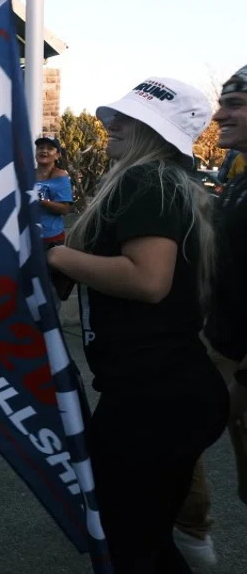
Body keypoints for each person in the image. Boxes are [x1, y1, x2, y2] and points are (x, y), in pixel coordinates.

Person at [47, 77, 228, 573]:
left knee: (129, 544)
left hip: (154, 398)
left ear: (154, 133)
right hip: (167, 391)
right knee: (144, 540)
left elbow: (149, 280)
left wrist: (59, 256)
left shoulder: (144, 181)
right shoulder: (175, 186)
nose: (112, 126)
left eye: (128, 120)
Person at [176, 64, 247, 569]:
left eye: (235, 105)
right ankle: (190, 537)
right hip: (222, 346)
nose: (218, 113)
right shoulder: (241, 176)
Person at [34, 136, 73, 247]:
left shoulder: (60, 176)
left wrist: (43, 202)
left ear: (57, 155)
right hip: (29, 236)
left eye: (50, 148)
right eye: (41, 147)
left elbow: (65, 209)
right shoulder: (28, 174)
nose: (44, 151)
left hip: (50, 239)